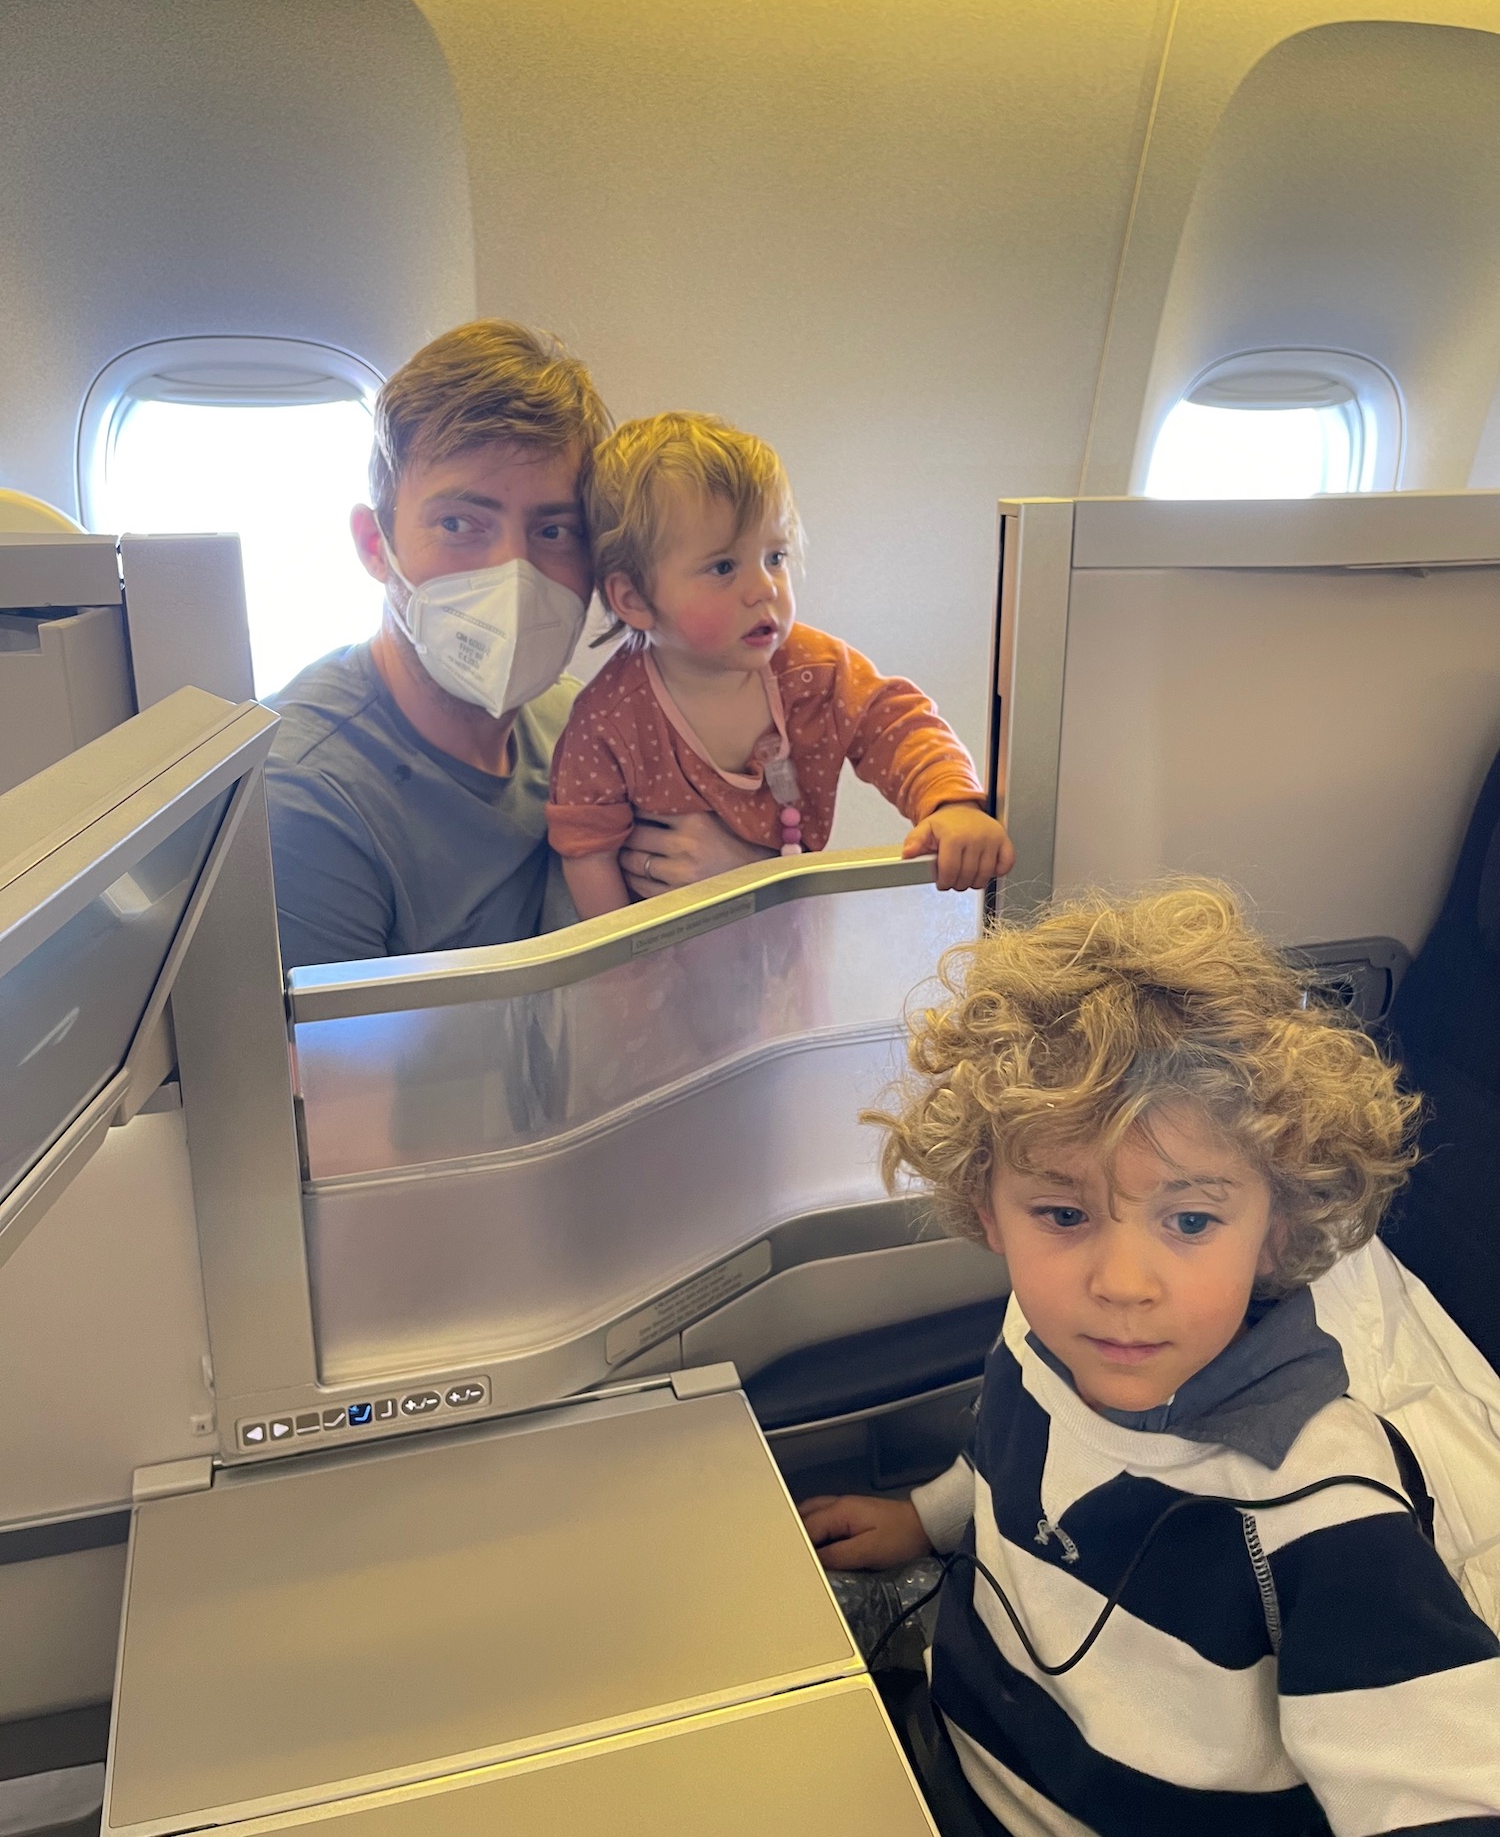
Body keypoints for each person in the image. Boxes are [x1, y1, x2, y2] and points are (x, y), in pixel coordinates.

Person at [799, 883, 1500, 1837]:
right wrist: (927, 1518)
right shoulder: (1042, 1334)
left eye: (1191, 1220)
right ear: (985, 1207)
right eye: (1064, 1214)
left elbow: (1448, 1790)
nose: (1121, 1282)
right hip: (956, 1756)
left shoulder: (1317, 1507)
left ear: (1274, 1227)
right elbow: (1014, 1461)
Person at [264, 325, 773, 968]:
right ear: (374, 544)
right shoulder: (304, 800)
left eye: (554, 530)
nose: (514, 572)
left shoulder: (578, 723)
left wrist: (740, 881)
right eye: (458, 524)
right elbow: (342, 1068)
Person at [546, 412, 1014, 917]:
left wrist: (950, 805)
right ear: (634, 597)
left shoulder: (815, 671)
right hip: (670, 966)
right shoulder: (607, 722)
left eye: (775, 557)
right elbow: (586, 849)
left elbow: (895, 723)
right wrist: (626, 983)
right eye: (723, 567)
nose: (765, 588)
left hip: (788, 941)